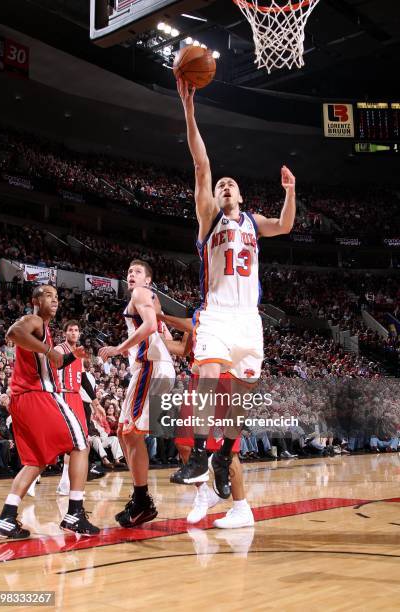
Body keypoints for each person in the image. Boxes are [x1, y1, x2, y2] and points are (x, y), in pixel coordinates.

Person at [173, 78, 296, 497]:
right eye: (220, 185)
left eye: (230, 184)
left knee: (241, 399)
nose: (223, 186)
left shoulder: (253, 223)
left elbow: (285, 225)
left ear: (240, 195)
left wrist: (290, 192)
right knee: (207, 375)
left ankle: (224, 454)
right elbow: (202, 166)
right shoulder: (209, 218)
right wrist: (190, 111)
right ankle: (203, 456)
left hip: (249, 320)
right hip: (217, 313)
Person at [0, 285, 100, 539]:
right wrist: (49, 350)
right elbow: (13, 332)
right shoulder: (34, 320)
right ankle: (74, 513)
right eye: (47, 295)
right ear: (35, 300)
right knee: (81, 444)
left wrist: (72, 356)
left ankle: (6, 518)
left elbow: (57, 362)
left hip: (23, 400)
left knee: (36, 461)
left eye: (56, 296)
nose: (54, 299)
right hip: (37, 396)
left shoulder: (45, 331)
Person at [159, 312, 254, 528]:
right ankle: (204, 494)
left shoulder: (229, 316)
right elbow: (184, 350)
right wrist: (156, 340)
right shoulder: (197, 314)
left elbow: (239, 356)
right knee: (183, 443)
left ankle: (241, 508)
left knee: (228, 453)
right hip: (197, 382)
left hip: (224, 383)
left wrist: (159, 317)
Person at [99, 260, 175, 528]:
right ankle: (140, 498)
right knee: (124, 433)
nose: (131, 275)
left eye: (137, 272)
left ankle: (142, 501)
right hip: (155, 367)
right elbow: (171, 345)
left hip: (150, 367)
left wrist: (119, 348)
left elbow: (152, 326)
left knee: (130, 433)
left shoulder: (140, 294)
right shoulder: (153, 301)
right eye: (129, 271)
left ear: (148, 280)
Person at [55, 322, 105, 496]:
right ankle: (62, 481)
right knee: (72, 442)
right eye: (70, 330)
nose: (74, 333)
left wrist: (96, 404)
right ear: (64, 333)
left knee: (82, 441)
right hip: (63, 395)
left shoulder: (80, 353)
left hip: (76, 396)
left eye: (76, 330)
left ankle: (65, 482)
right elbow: (57, 365)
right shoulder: (60, 349)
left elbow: (84, 379)